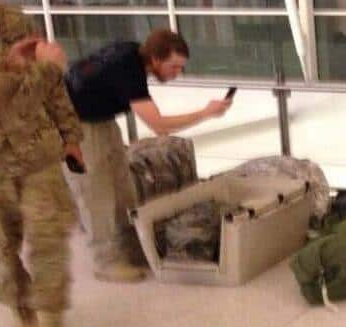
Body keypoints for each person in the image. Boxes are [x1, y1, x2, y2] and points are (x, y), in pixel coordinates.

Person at [62, 30, 232, 283]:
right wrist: (205, 113)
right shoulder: (127, 69)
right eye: (173, 67)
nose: (176, 73)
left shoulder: (132, 54)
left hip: (101, 119)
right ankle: (106, 262)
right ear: (155, 58)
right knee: (96, 194)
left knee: (123, 188)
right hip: (75, 128)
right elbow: (160, 126)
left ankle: (132, 249)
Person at [0, 25, 85, 327]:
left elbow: (52, 91)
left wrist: (71, 135)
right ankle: (23, 312)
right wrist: (48, 68)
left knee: (49, 235)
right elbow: (6, 104)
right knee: (1, 250)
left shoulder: (9, 22)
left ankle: (51, 323)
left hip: (37, 158)